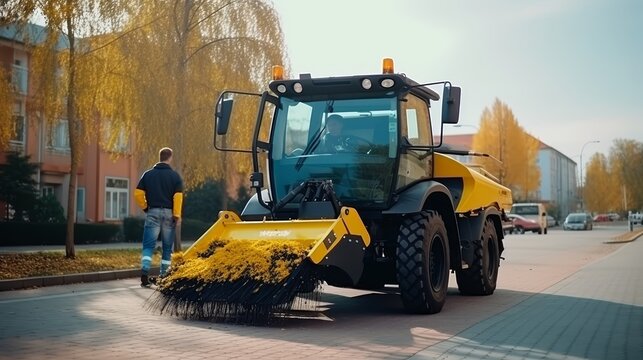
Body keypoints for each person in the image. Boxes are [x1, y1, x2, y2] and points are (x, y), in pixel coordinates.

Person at [134, 147, 183, 287]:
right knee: (167, 247)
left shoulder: (148, 174)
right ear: (170, 158)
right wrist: (177, 215)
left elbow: (138, 193)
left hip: (152, 212)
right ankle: (163, 277)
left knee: (148, 245)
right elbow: (178, 197)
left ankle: (144, 275)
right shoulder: (175, 176)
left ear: (160, 157)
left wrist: (145, 207)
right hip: (169, 213)